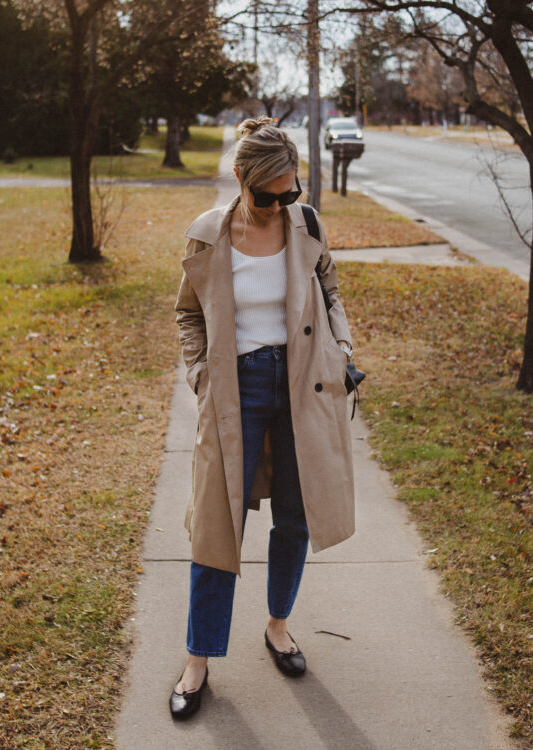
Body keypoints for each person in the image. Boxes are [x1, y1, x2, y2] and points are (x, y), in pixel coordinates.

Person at [170, 116, 356, 719]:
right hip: (236, 387)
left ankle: (278, 626)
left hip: (304, 384)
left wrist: (343, 352)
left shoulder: (306, 225)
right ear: (240, 181)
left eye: (290, 192)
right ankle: (197, 657)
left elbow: (331, 293)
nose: (280, 205)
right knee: (214, 526)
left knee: (295, 517)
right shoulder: (207, 234)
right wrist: (201, 377)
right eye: (267, 196)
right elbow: (188, 315)